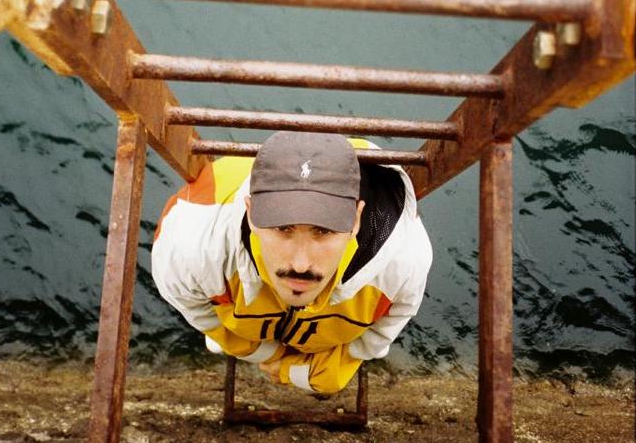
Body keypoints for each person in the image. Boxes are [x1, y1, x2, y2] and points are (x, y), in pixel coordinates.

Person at [152, 131, 432, 395]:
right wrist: (264, 353)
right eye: (282, 228)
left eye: (324, 230)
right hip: (254, 315)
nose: (300, 264)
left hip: (271, 319)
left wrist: (312, 373)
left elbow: (376, 338)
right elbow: (196, 308)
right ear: (251, 213)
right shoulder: (189, 247)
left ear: (356, 220)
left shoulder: (403, 263)